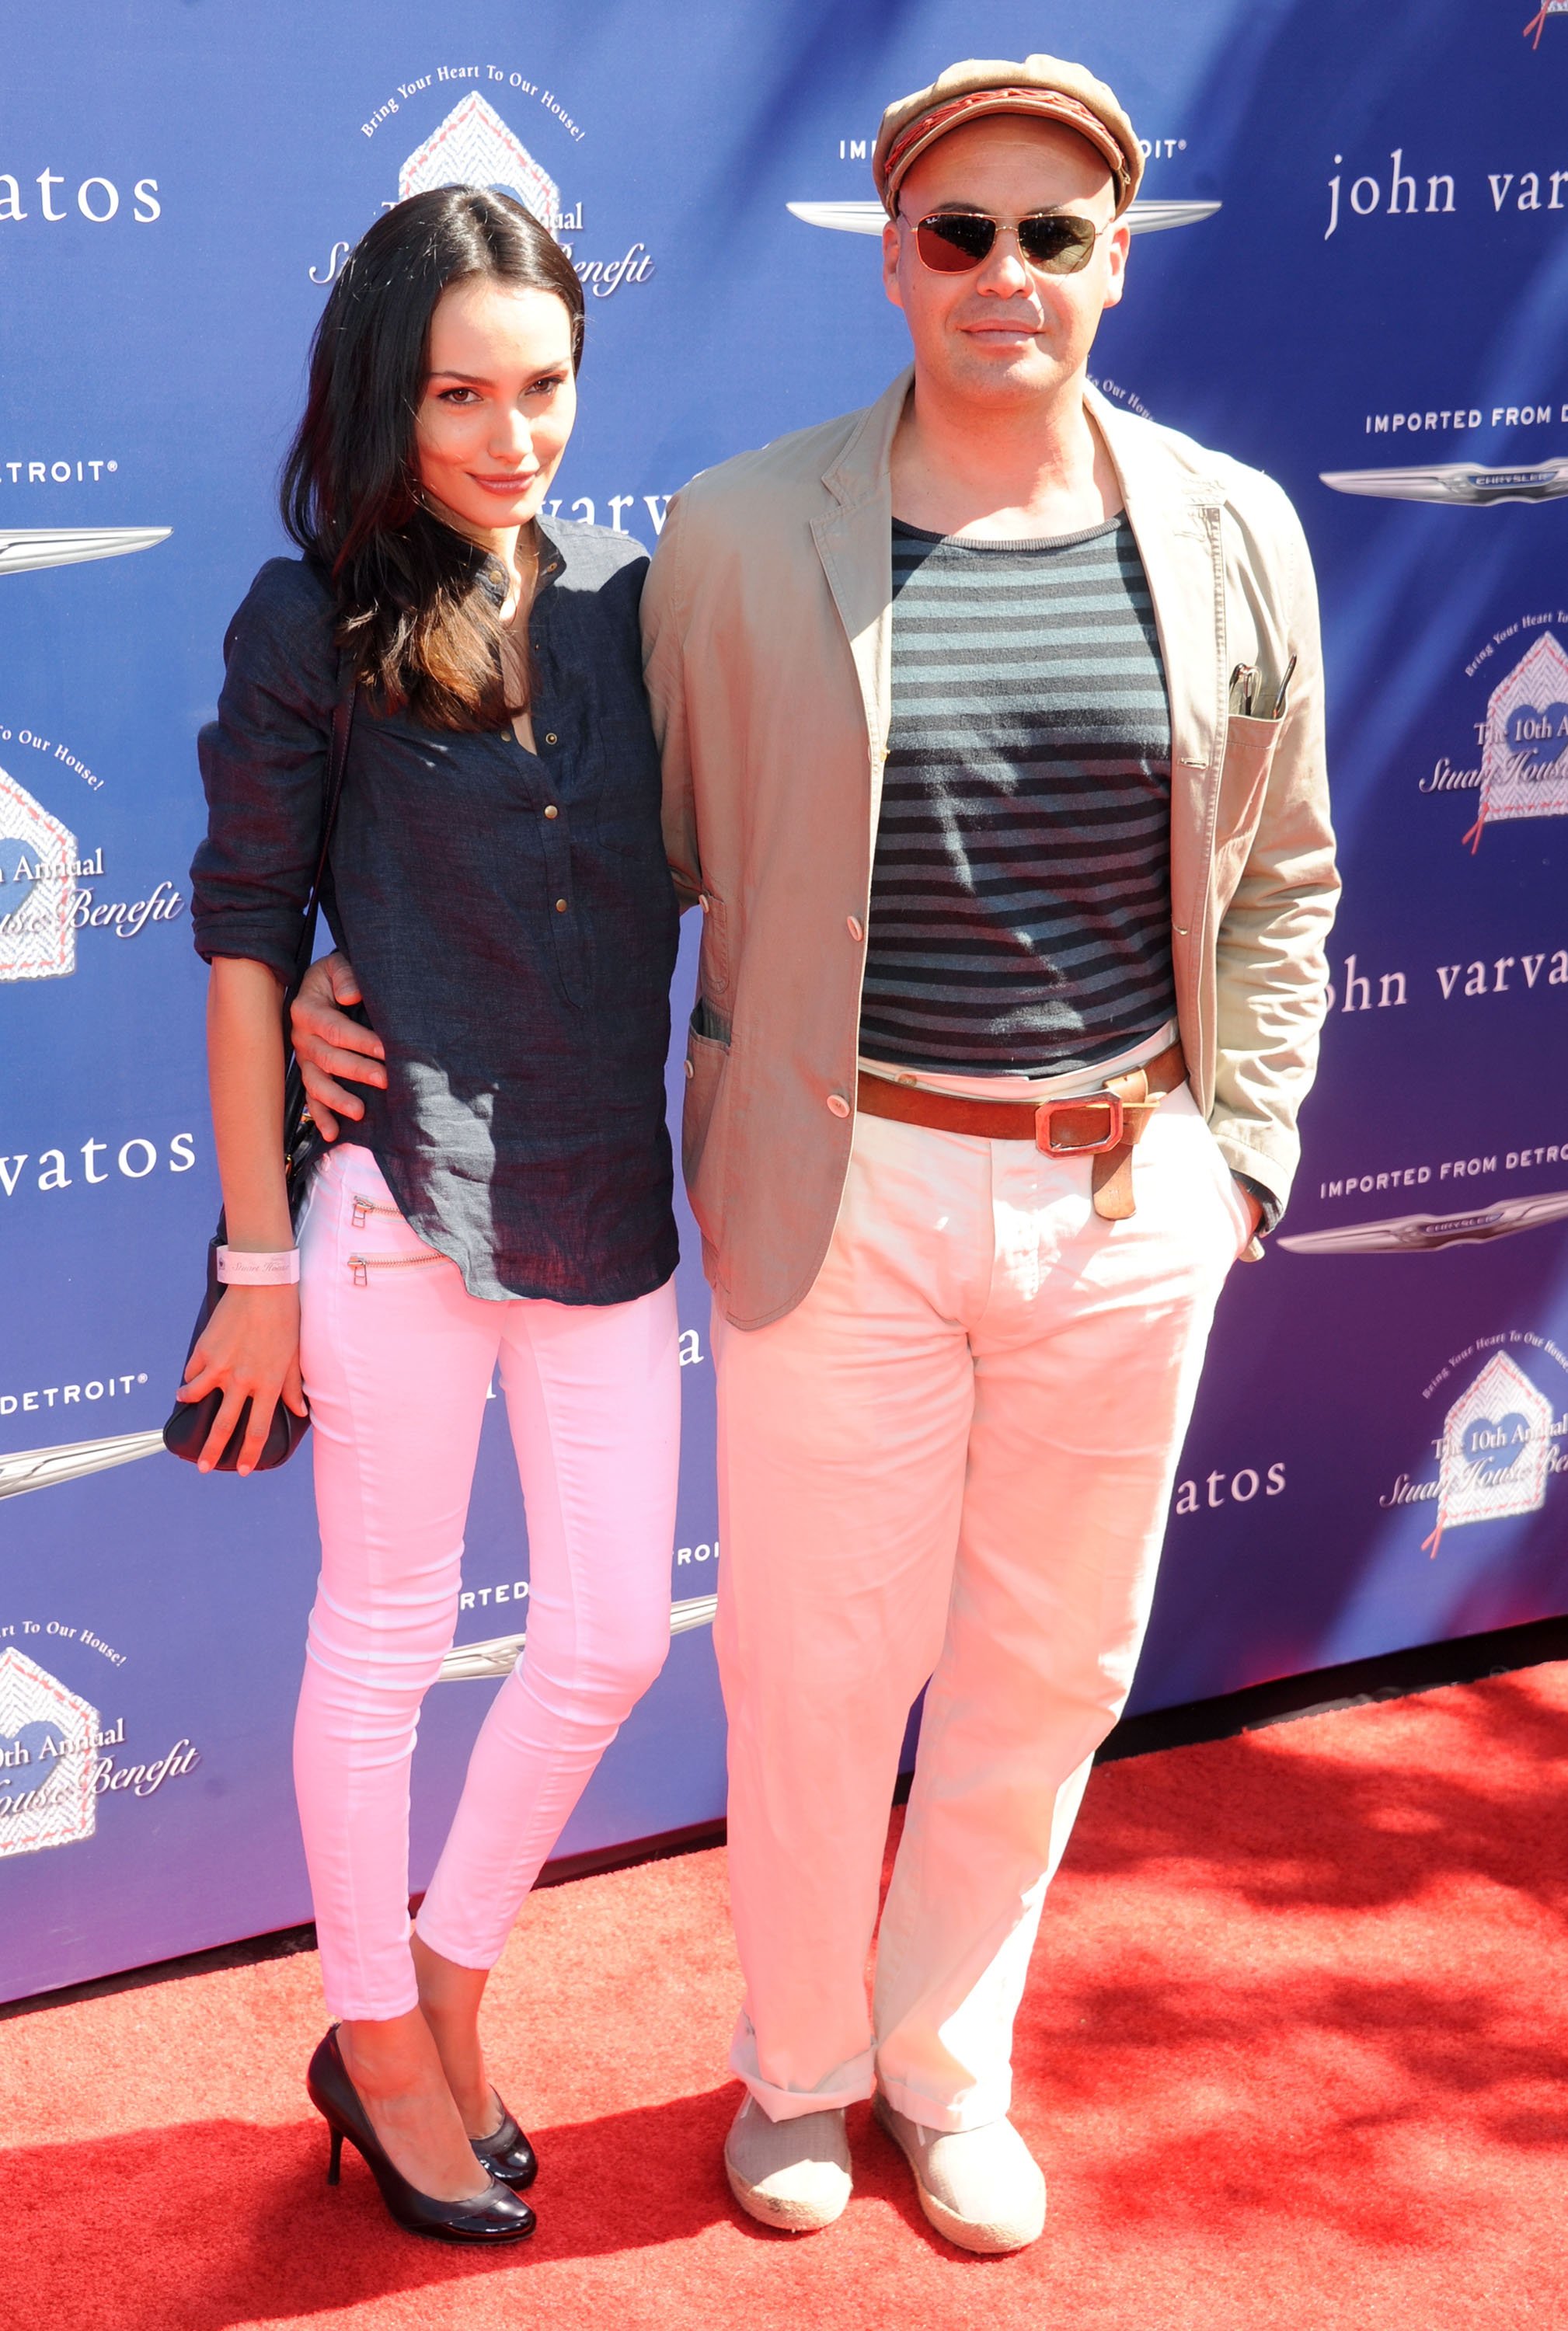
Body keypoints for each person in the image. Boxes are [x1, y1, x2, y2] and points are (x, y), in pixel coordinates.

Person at [293, 54, 1338, 2256]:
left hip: (1126, 1188)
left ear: (1112, 260)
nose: (1004, 274)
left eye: (1051, 234)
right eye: (958, 233)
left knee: (1045, 1666)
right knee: (807, 1665)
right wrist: (333, 974)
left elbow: (1285, 880)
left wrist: (1237, 1154)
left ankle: (944, 2067)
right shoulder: (745, 539)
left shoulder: (1235, 529)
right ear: (890, 260)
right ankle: (798, 2068)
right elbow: (571, 844)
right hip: (837, 1187)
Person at [180, 186, 681, 2243]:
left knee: (611, 1640)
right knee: (384, 1641)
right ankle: (378, 2036)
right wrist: (256, 1262)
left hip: (602, 1200)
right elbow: (238, 941)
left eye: (543, 385)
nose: (506, 433)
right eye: (458, 392)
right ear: (381, 394)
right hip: (391, 1218)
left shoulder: (624, 613)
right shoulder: (309, 619)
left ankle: (452, 1976)